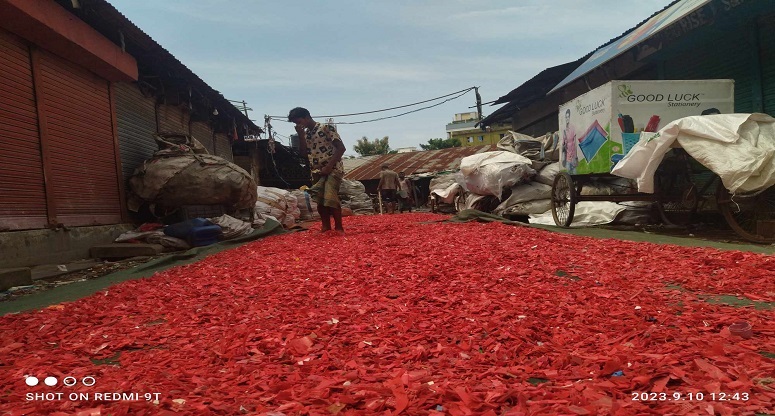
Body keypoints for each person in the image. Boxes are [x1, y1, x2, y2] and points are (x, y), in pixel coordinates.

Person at [288, 107, 346, 234]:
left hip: (333, 168)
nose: (298, 125)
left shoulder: (326, 128)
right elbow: (303, 153)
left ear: (306, 117)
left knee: (331, 198)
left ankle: (339, 228)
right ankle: (326, 226)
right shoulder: (307, 134)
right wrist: (300, 135)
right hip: (316, 170)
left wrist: (329, 166)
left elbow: (341, 148)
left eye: (298, 121)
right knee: (319, 200)